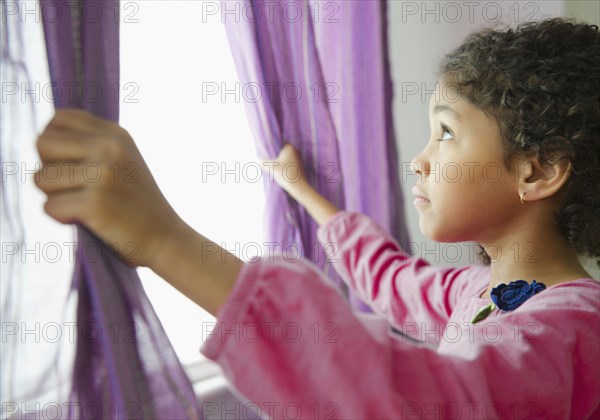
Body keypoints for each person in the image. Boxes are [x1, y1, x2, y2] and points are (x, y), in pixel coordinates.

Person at [34, 17, 599, 419]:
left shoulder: (578, 326)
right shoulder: (476, 290)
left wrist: (164, 240)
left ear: (537, 171)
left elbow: (419, 399)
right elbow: (387, 276)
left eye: (446, 133)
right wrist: (301, 190)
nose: (418, 159)